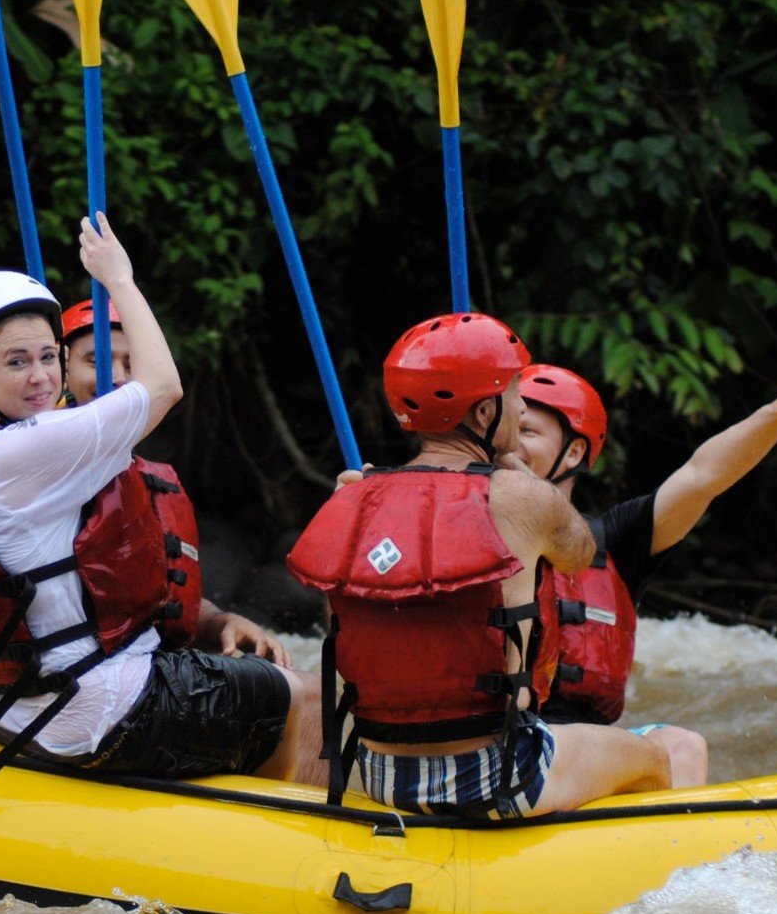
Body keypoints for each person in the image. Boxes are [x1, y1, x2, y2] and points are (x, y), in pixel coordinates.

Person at [0, 217, 325, 783]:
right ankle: (270, 834)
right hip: (96, 716)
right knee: (282, 690)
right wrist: (120, 280)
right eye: (16, 362)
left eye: (47, 357)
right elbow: (164, 386)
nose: (41, 378)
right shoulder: (34, 446)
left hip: (12, 710)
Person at [288, 312, 693, 819]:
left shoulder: (350, 498)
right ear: (484, 415)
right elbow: (578, 552)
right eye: (516, 395)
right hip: (501, 774)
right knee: (653, 756)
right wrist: (518, 474)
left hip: (379, 773)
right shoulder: (523, 497)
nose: (522, 406)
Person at [518, 327, 777, 780]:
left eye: (527, 431)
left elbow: (703, 476)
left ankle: (674, 846)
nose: (508, 445)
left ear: (574, 451)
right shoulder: (467, 526)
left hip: (587, 744)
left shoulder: (614, 540)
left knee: (684, 747)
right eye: (502, 431)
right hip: (505, 742)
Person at [57, 298, 287, 665]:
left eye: (132, 365)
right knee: (304, 694)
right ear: (60, 368)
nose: (116, 377)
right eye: (96, 362)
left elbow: (160, 600)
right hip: (77, 682)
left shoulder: (147, 478)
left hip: (140, 671)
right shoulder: (38, 460)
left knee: (285, 679)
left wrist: (220, 621)